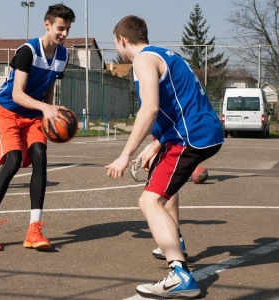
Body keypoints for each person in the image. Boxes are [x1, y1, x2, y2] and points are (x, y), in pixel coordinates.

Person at [106, 15, 224, 299]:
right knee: (162, 185)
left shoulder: (142, 60)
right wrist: (156, 144)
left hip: (190, 136)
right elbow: (180, 103)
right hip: (198, 132)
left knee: (149, 200)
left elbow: (150, 108)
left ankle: (180, 274)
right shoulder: (168, 56)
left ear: (122, 40)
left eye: (116, 43)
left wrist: (125, 154)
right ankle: (176, 243)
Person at [0, 4, 76, 252]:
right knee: (13, 161)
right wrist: (45, 108)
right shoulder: (27, 51)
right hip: (9, 109)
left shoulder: (63, 56)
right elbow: (17, 94)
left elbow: (49, 85)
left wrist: (49, 113)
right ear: (47, 24)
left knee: (41, 157)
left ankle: (34, 229)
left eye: (67, 29)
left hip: (34, 114)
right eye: (61, 28)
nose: (64, 33)